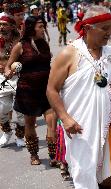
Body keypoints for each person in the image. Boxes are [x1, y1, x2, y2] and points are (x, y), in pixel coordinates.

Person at [46, 5, 111, 189]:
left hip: (108, 125)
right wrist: (65, 118)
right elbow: (51, 89)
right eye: (104, 28)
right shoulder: (69, 53)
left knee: (110, 176)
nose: (110, 33)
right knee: (84, 177)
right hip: (80, 128)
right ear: (88, 28)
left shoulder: (110, 54)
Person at [4, 16, 57, 165]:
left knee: (52, 122)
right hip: (27, 91)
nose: (43, 29)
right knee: (29, 123)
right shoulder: (20, 46)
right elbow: (9, 66)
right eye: (40, 26)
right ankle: (34, 154)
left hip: (46, 90)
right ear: (31, 28)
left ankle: (53, 156)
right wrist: (9, 71)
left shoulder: (44, 44)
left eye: (43, 26)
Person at [0, 12, 25, 147]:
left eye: (4, 25)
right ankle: (7, 132)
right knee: (1, 108)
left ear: (11, 26)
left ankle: (20, 136)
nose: (1, 27)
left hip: (19, 78)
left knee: (20, 111)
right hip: (2, 78)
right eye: (0, 25)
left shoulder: (20, 40)